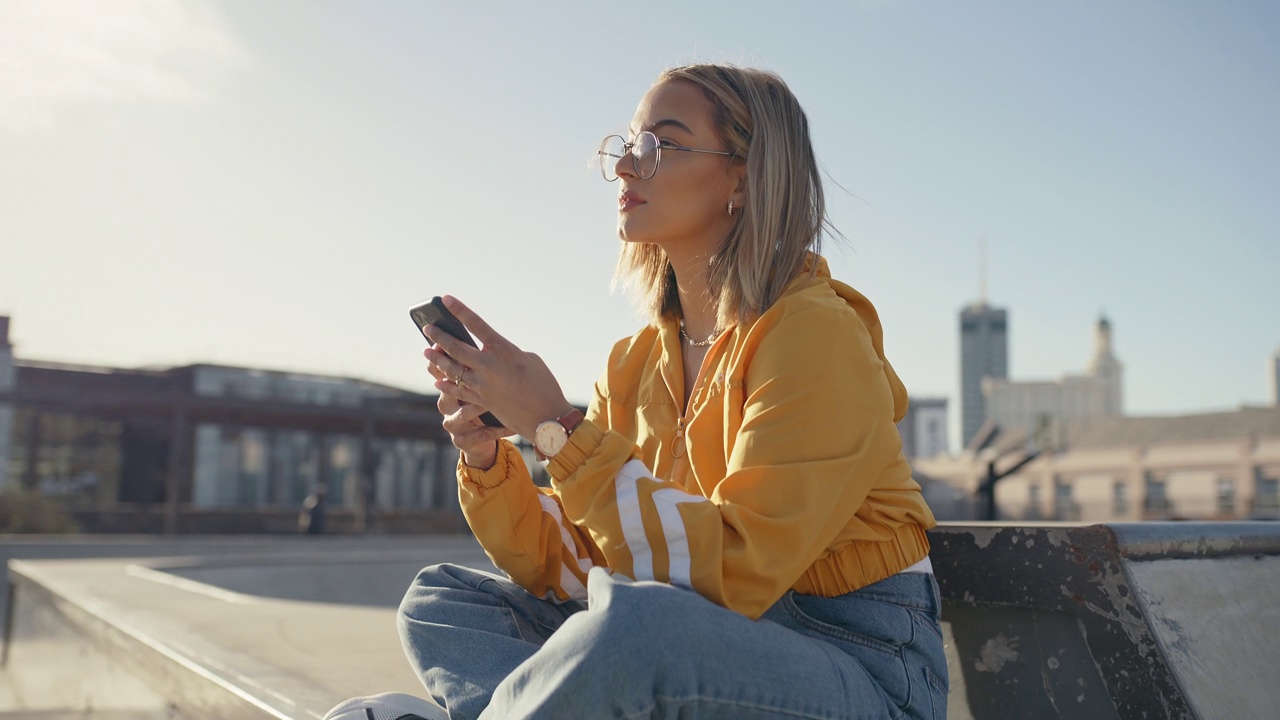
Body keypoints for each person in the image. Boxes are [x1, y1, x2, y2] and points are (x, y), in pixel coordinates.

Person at [326, 63, 947, 720]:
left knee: (640, 629)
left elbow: (739, 572)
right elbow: (575, 565)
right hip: (700, 644)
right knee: (444, 605)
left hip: (858, 670)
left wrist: (556, 426)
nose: (626, 167)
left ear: (743, 174)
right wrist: (488, 457)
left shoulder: (816, 333)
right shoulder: (635, 363)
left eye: (660, 145)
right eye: (627, 146)